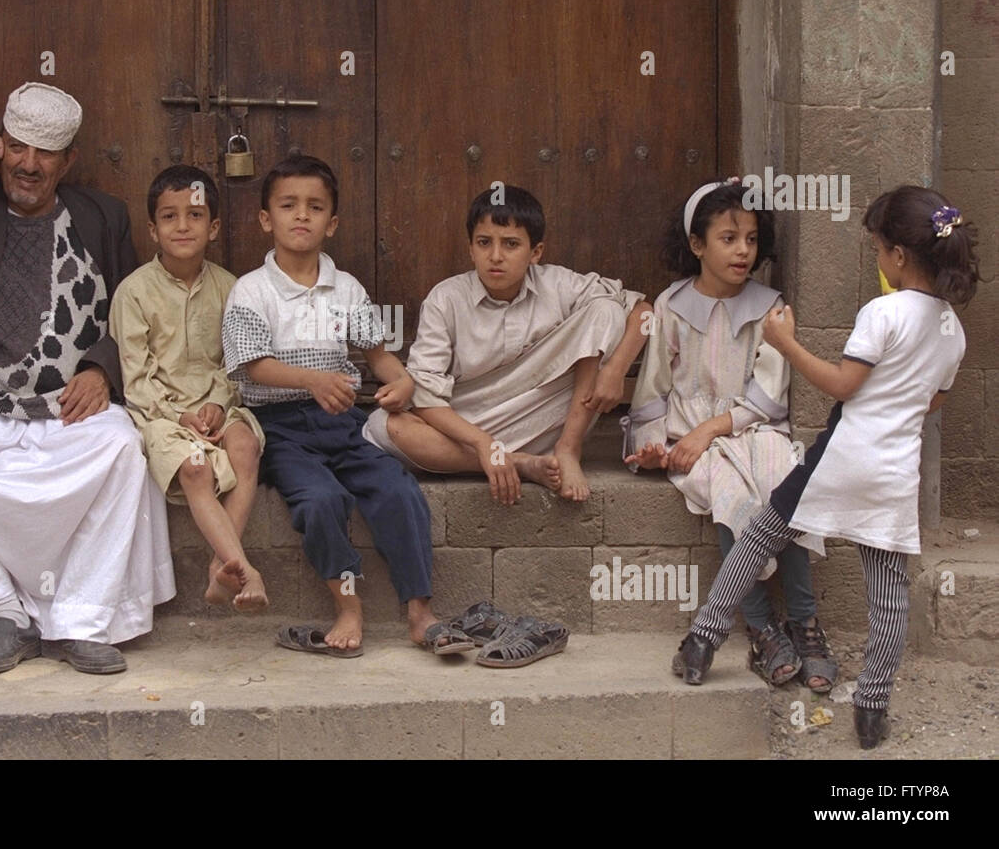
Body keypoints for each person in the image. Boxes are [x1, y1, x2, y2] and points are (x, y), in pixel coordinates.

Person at [673, 186, 979, 749]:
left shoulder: (882, 312)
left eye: (878, 249)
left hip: (839, 459)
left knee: (760, 535)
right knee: (887, 595)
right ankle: (872, 707)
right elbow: (931, 402)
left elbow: (842, 384)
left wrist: (785, 343)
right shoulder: (951, 329)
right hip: (894, 475)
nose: (877, 259)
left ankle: (702, 641)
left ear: (900, 256)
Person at [0, 82, 174, 677]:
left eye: (45, 153)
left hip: (67, 404)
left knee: (123, 449)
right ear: (3, 148)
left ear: (68, 160)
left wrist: (101, 366)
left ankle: (80, 620)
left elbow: (138, 305)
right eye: (18, 148)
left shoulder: (101, 215)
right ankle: (8, 613)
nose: (29, 165)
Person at [222, 155, 473, 657]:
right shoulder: (250, 291)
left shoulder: (347, 288)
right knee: (321, 502)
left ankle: (420, 611)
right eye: (288, 205)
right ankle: (349, 605)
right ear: (266, 219)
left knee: (397, 488)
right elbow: (254, 367)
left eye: (315, 207)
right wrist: (312, 380)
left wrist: (402, 384)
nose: (301, 216)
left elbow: (379, 356)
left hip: (342, 423)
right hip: (281, 429)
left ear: (331, 223)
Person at [626, 179, 832, 690]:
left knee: (783, 481)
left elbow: (768, 394)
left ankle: (805, 622)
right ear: (697, 244)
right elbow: (652, 391)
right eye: (728, 238)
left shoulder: (771, 307)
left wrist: (711, 429)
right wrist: (656, 448)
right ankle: (762, 627)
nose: (743, 250)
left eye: (752, 239)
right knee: (728, 489)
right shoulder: (670, 308)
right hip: (693, 440)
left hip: (753, 427)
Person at [364, 186, 651, 503]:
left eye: (511, 244)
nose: (495, 256)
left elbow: (645, 313)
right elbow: (423, 392)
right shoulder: (446, 298)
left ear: (536, 252)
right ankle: (519, 464)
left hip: (546, 422)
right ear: (471, 248)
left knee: (606, 309)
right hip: (470, 428)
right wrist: (484, 444)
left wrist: (615, 370)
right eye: (484, 243)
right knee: (385, 426)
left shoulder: (558, 284)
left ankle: (568, 450)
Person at [110, 165, 268, 611]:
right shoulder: (134, 293)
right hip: (161, 414)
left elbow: (237, 363)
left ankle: (221, 566)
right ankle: (243, 567)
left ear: (213, 226)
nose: (182, 226)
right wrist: (180, 416)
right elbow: (136, 378)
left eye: (195, 216)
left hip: (220, 406)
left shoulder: (231, 289)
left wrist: (218, 406)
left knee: (245, 447)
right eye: (169, 217)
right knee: (196, 465)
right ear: (152, 229)